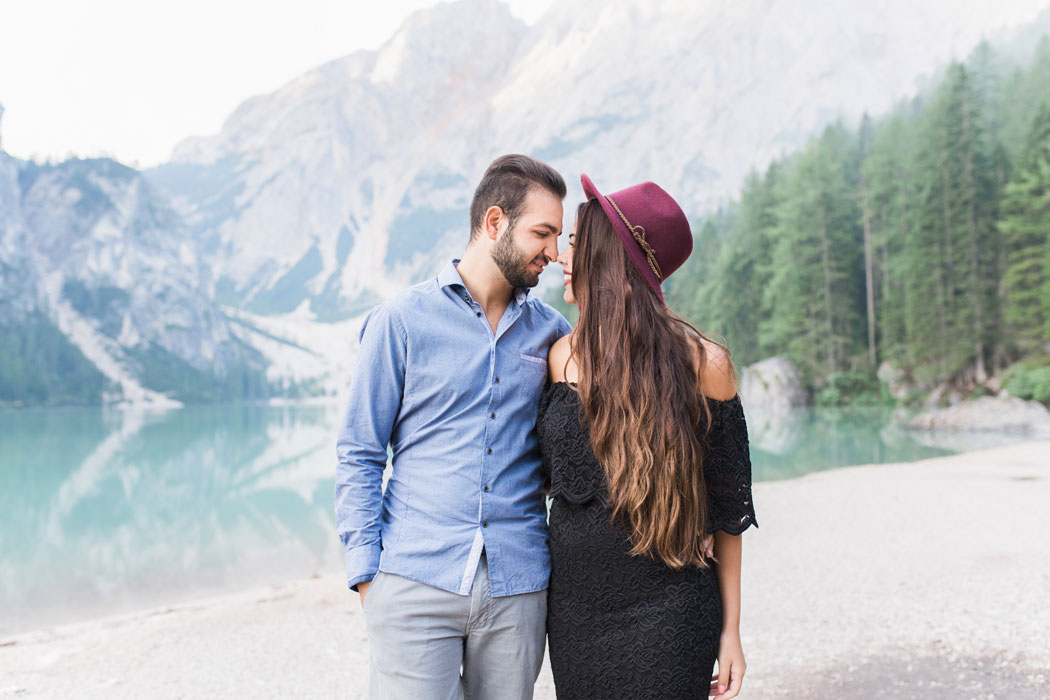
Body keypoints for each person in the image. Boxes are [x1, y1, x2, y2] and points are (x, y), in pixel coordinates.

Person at [335, 154, 572, 700]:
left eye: (558, 237)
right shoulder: (400, 322)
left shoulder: (552, 334)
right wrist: (368, 575)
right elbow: (359, 452)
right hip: (413, 580)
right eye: (543, 233)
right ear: (494, 223)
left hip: (518, 587)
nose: (554, 254)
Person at [539, 175, 757, 700]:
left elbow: (729, 512)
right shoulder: (559, 357)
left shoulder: (705, 364)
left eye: (574, 242)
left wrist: (731, 631)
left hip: (671, 608)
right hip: (574, 615)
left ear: (608, 257)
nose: (561, 256)